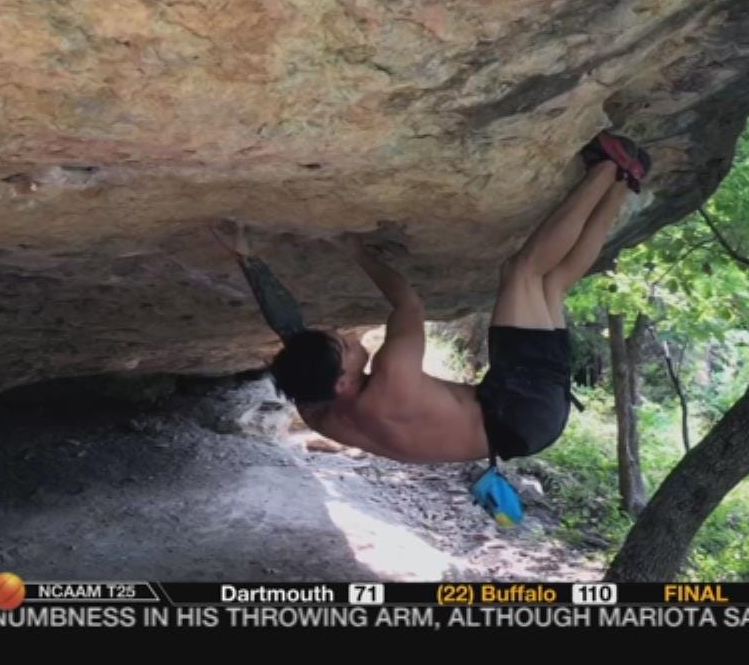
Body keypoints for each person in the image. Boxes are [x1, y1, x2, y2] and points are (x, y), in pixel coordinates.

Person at [211, 131, 650, 517]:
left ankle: (623, 183)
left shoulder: (318, 404)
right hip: (518, 406)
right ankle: (610, 163)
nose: (346, 337)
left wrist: (246, 256)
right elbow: (407, 302)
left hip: (524, 430)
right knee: (519, 272)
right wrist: (357, 251)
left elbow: (290, 330)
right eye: (344, 347)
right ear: (343, 380)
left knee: (552, 285)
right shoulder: (390, 381)